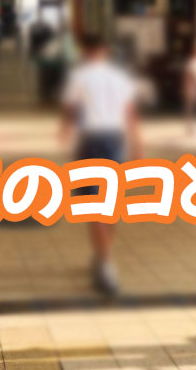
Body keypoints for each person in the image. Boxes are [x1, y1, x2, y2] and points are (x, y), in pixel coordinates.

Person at [60, 33, 140, 295]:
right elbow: (130, 114)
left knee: (93, 205)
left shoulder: (79, 77)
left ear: (85, 51)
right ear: (104, 50)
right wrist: (136, 144)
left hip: (91, 141)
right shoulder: (119, 77)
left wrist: (65, 132)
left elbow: (71, 110)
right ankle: (103, 255)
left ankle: (106, 264)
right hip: (115, 140)